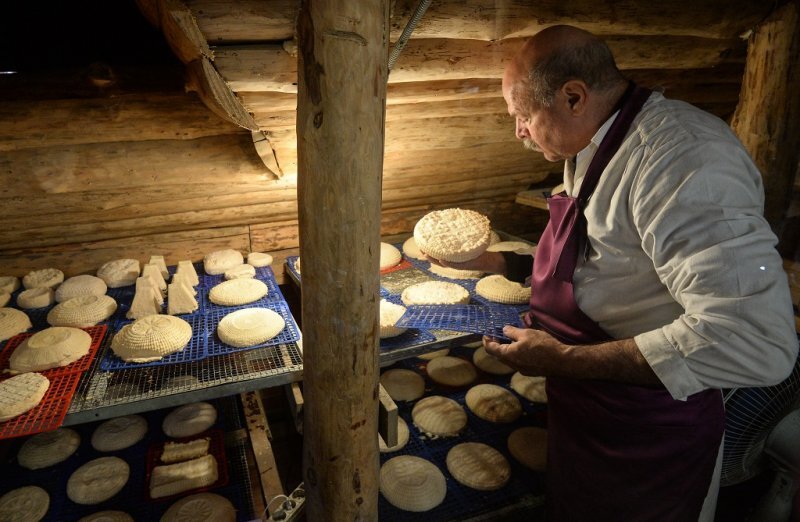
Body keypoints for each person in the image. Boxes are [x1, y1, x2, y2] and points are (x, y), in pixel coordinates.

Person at [426, 25, 798, 521]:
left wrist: (563, 360)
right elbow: (604, 260)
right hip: (586, 419)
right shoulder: (595, 143)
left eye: (521, 115)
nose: (517, 131)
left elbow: (754, 340)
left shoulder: (686, 162)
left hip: (648, 440)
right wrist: (501, 263)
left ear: (573, 96)